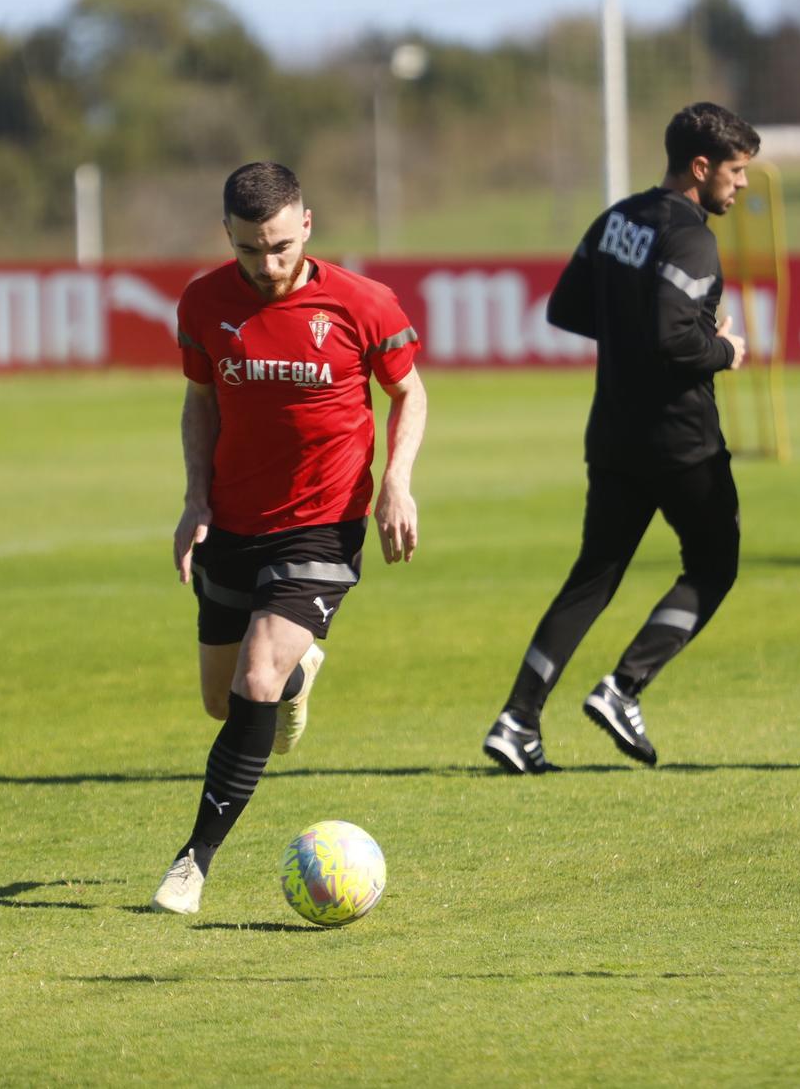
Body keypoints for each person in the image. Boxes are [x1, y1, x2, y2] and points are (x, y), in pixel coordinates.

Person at [152, 161, 426, 915]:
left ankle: (192, 862)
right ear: (228, 237)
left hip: (323, 524)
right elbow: (199, 399)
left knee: (256, 678)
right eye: (249, 250)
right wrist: (194, 497)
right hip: (232, 523)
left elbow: (410, 392)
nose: (266, 265)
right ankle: (299, 678)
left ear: (306, 223)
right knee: (226, 700)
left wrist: (396, 482)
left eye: (278, 245)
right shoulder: (204, 303)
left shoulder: (363, 303)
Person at [482, 103, 756, 774]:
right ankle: (623, 687)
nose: (742, 184)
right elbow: (675, 338)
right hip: (681, 438)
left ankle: (518, 717)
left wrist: (635, 332)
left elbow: (567, 306)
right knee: (714, 564)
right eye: (737, 170)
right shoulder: (691, 237)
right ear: (702, 166)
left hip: (613, 433)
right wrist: (724, 348)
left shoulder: (618, 220)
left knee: (594, 577)